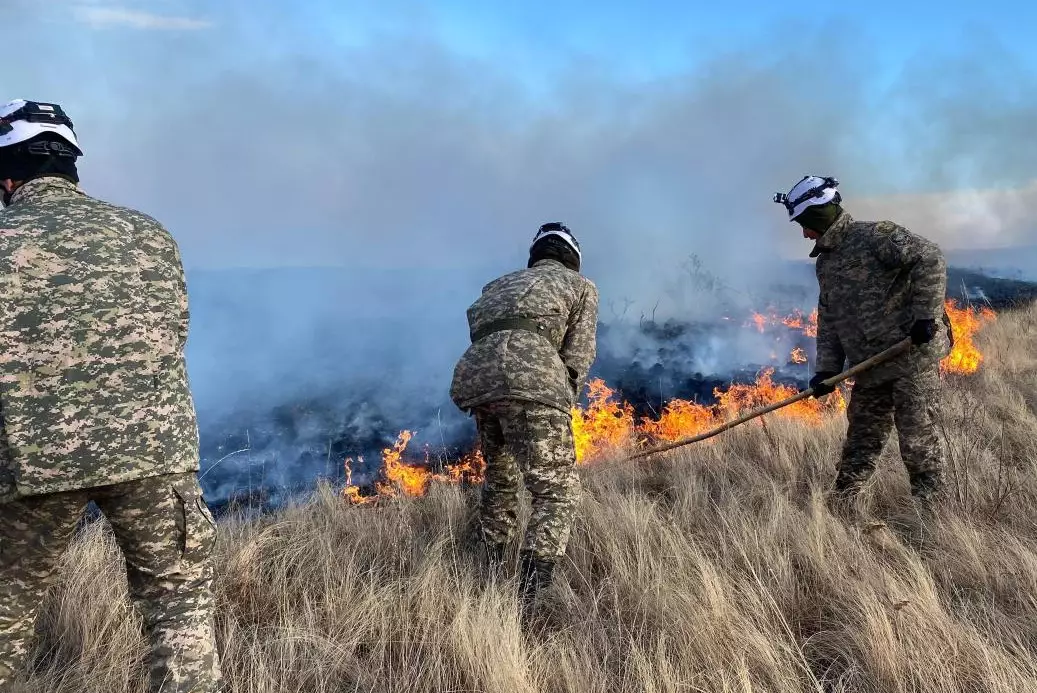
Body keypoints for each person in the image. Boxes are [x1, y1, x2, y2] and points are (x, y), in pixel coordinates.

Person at [0, 99, 221, 692]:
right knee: (178, 609)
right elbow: (172, 333)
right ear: (71, 163)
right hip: (156, 453)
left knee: (6, 617)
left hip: (31, 461)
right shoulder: (151, 235)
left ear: (5, 175)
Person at [774, 175, 952, 507]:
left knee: (917, 441)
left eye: (805, 223)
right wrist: (826, 369)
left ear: (819, 213)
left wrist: (926, 315)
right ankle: (844, 503)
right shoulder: (826, 263)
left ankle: (933, 515)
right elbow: (829, 317)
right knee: (861, 439)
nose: (803, 233)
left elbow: (929, 257)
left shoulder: (875, 237)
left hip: (910, 360)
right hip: (869, 368)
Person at [450, 222, 598, 616]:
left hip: (477, 378)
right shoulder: (580, 286)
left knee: (501, 479)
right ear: (572, 258)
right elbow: (579, 354)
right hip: (532, 381)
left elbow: (481, 330)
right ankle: (530, 598)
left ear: (535, 255)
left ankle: (491, 573)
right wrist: (564, 397)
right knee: (557, 491)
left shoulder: (497, 285)